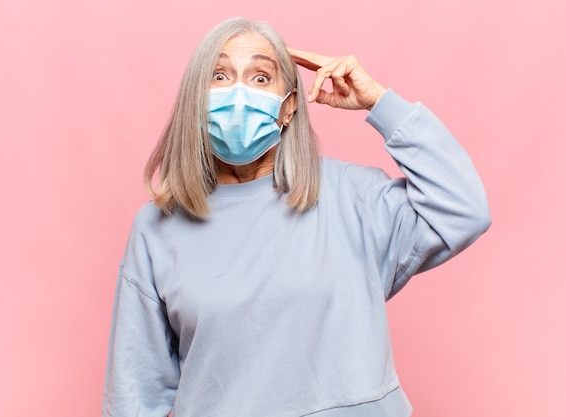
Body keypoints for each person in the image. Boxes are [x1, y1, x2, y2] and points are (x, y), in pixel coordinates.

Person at [102, 16, 491, 417]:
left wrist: (380, 102)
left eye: (260, 78)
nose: (238, 93)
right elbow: (135, 396)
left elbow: (464, 210)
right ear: (195, 102)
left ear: (288, 107)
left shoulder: (352, 197)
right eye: (219, 75)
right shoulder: (156, 230)